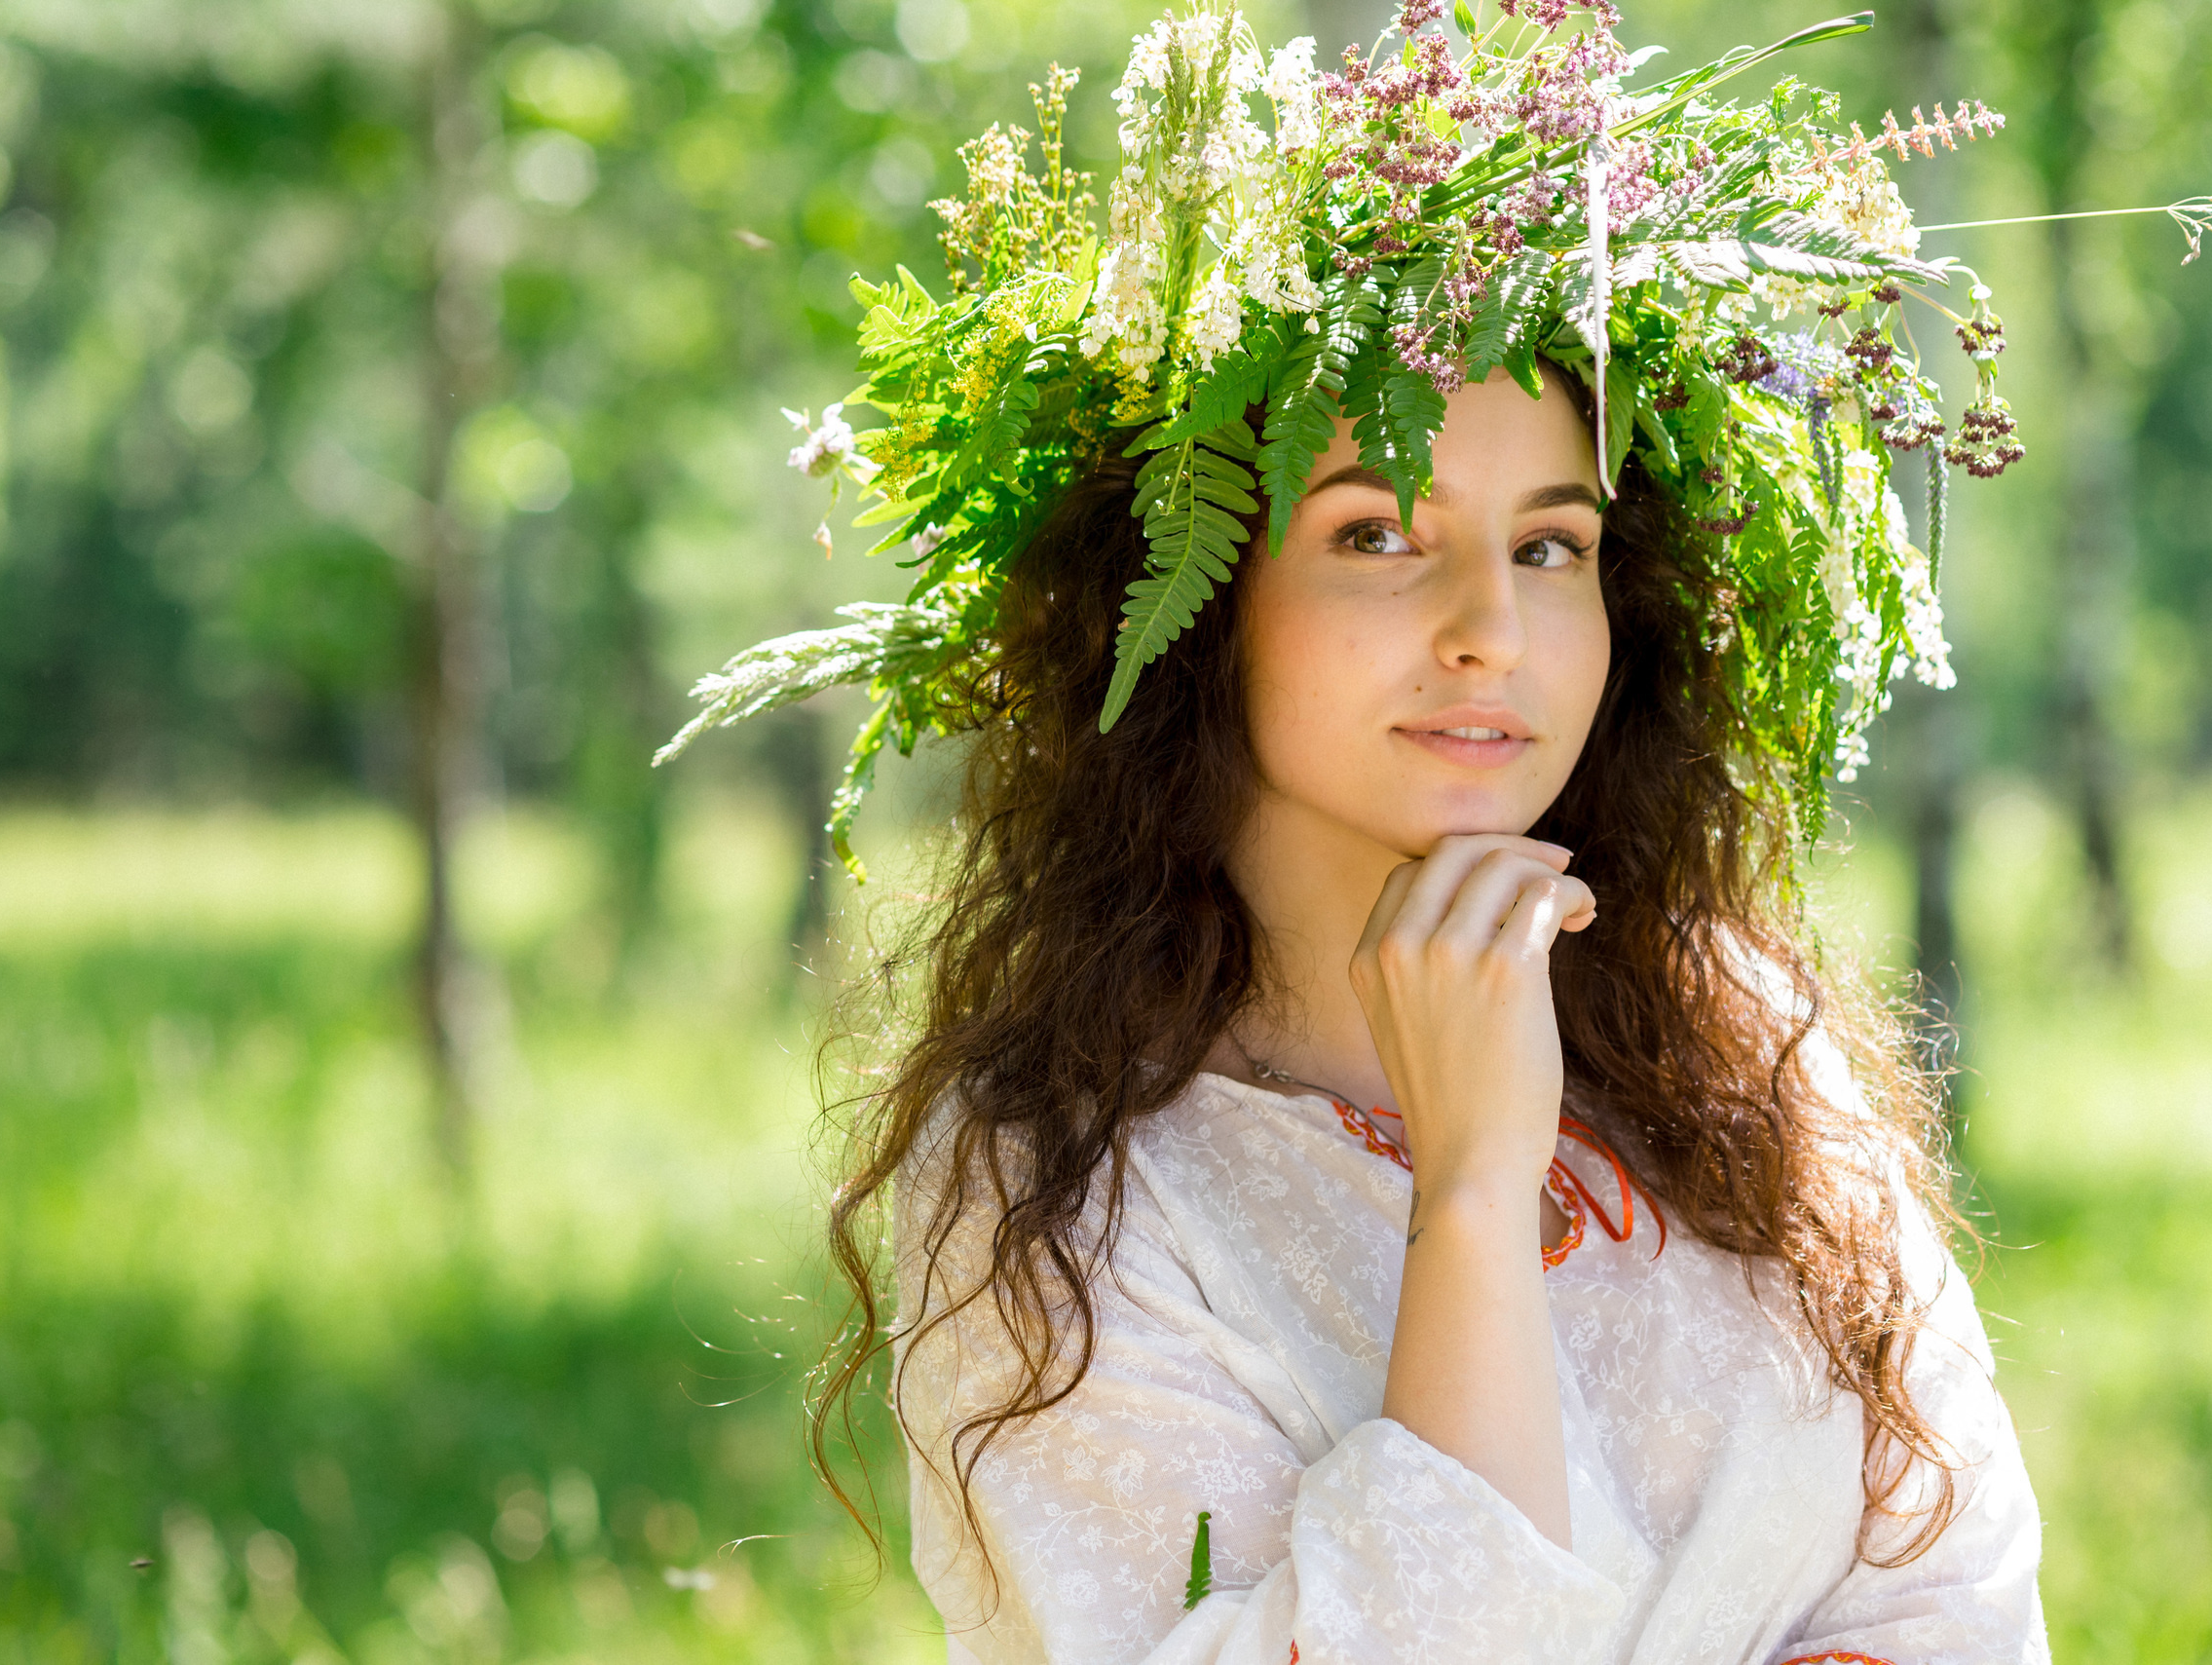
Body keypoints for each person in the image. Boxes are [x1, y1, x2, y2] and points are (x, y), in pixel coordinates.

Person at [660, 4, 2065, 1658]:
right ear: (1187, 602)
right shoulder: (1067, 1175)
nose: (1492, 627)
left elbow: (1954, 1595)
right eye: (1383, 531)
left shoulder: (1750, 1051)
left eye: (1552, 547)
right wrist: (1471, 1190)